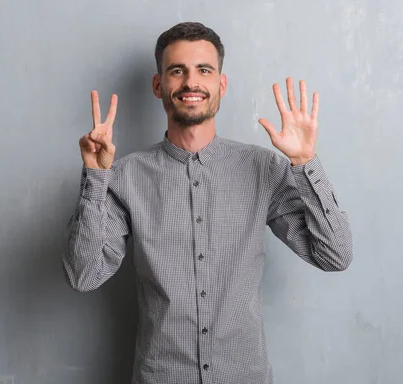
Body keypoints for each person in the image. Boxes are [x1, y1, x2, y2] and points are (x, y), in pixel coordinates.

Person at [61, 21, 353, 384]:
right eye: (177, 70)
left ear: (221, 84)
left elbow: (335, 255)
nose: (191, 82)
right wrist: (95, 176)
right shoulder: (125, 176)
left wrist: (305, 163)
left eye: (204, 70)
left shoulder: (263, 169)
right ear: (158, 85)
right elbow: (84, 276)